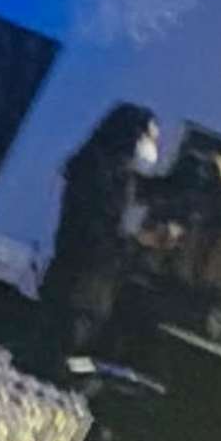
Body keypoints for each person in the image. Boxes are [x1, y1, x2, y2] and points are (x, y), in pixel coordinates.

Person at [39, 98, 159, 360]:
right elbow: (94, 233)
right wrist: (138, 242)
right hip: (77, 286)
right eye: (149, 138)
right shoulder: (98, 172)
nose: (152, 147)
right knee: (59, 358)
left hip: (86, 287)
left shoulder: (114, 174)